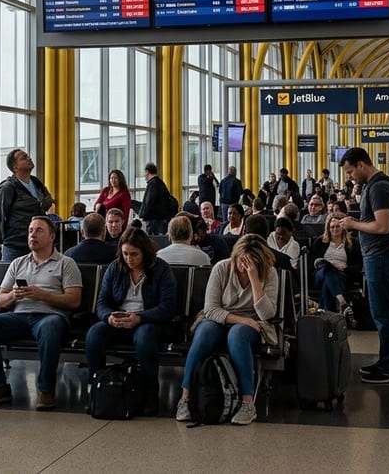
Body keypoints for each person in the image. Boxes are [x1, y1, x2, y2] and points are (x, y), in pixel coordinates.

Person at [0, 216, 82, 410]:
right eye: (31, 231)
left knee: (50, 328)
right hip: (19, 315)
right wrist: (13, 296)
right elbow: (0, 300)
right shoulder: (18, 263)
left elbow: (74, 300)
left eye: (39, 231)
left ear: (52, 237)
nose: (33, 235)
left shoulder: (66, 263)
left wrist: (43, 295)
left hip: (50, 316)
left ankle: (46, 389)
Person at [174, 234, 278, 426]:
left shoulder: (269, 274)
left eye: (250, 263)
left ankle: (247, 403)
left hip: (254, 323)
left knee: (237, 335)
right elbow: (211, 309)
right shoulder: (222, 268)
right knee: (204, 333)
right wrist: (241, 319)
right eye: (241, 261)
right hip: (219, 318)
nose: (244, 266)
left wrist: (255, 280)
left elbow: (266, 314)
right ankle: (185, 398)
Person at [85, 228, 177, 417]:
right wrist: (109, 317)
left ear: (145, 252)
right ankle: (96, 389)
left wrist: (140, 317)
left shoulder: (161, 269)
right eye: (125, 254)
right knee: (94, 334)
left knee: (144, 337)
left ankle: (150, 393)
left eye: (134, 254)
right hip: (119, 320)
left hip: (149, 321)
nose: (129, 259)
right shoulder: (115, 268)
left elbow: (167, 308)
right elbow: (102, 303)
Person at [337, 147, 389, 384]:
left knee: (384, 313)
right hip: (378, 256)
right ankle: (385, 361)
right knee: (381, 312)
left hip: (381, 256)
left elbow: (383, 226)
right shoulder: (375, 186)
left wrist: (354, 225)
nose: (350, 176)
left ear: (361, 165)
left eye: (350, 171)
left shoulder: (379, 188)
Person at [0, 149, 54, 261]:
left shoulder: (36, 183)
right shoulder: (7, 188)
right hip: (16, 246)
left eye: (28, 156)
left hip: (38, 245)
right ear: (15, 167)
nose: (29, 158)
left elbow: (46, 201)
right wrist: (2, 240)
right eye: (24, 158)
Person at [310, 212, 360, 312]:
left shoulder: (353, 243)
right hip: (320, 273)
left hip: (341, 274)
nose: (335, 229)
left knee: (327, 282)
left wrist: (343, 268)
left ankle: (327, 313)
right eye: (332, 227)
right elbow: (312, 262)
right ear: (328, 228)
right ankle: (342, 301)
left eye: (338, 226)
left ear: (343, 227)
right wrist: (328, 264)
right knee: (327, 269)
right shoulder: (319, 241)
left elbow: (358, 266)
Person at [139, 162, 175, 236]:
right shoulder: (161, 183)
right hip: (163, 218)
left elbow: (149, 202)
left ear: (147, 172)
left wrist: (143, 216)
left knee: (153, 239)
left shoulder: (152, 184)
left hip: (154, 220)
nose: (144, 175)